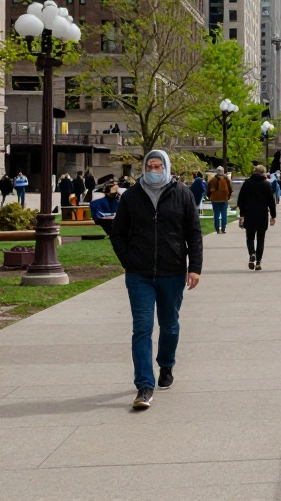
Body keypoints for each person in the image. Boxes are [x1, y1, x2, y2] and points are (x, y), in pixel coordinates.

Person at [108, 150, 202, 410]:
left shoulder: (182, 194)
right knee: (142, 328)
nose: (154, 169)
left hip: (172, 273)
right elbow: (118, 234)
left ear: (167, 167)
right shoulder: (132, 196)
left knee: (170, 326)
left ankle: (166, 364)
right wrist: (129, 261)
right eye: (150, 165)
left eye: (158, 165)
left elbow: (194, 234)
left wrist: (194, 267)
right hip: (139, 275)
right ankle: (144, 385)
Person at [236, 166, 276, 270]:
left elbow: (241, 200)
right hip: (262, 214)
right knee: (260, 239)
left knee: (250, 238)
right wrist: (273, 215)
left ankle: (252, 254)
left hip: (249, 214)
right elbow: (271, 202)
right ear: (263, 173)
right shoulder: (266, 184)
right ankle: (258, 262)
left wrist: (242, 214)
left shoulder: (247, 183)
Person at [207, 167, 233, 234]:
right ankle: (223, 228)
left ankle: (217, 229)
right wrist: (228, 196)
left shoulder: (213, 180)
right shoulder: (226, 180)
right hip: (224, 199)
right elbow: (230, 189)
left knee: (216, 214)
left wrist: (209, 196)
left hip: (215, 199)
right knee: (224, 214)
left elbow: (208, 189)